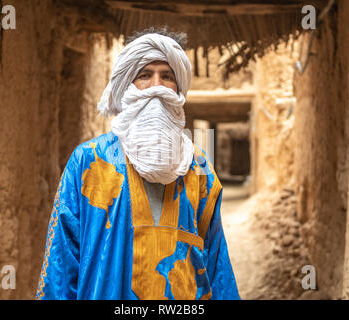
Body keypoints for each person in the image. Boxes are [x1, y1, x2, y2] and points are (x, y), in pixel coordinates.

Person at [35, 28, 241, 300]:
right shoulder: (89, 162)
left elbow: (216, 264)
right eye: (145, 75)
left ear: (179, 89)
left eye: (167, 76)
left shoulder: (199, 170)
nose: (156, 86)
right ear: (127, 87)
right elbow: (62, 261)